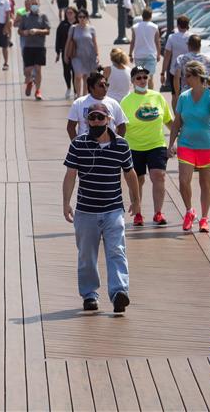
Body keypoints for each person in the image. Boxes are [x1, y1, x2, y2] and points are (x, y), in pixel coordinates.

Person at [62, 102, 140, 314]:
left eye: (100, 117)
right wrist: (66, 202)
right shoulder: (78, 144)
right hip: (86, 210)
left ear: (109, 120)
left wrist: (136, 200)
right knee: (87, 256)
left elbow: (130, 173)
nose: (96, 122)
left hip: (113, 209)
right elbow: (70, 174)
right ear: (87, 121)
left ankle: (119, 292)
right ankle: (89, 295)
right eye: (92, 118)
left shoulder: (121, 145)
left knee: (117, 251)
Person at [168, 60, 210, 233]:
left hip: (207, 145)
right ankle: (189, 211)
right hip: (186, 144)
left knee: (205, 184)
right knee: (183, 180)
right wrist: (171, 144)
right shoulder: (183, 97)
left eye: (188, 76)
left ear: (198, 76)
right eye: (184, 76)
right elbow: (177, 123)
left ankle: (204, 218)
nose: (185, 79)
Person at [120, 66, 174, 227]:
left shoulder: (158, 97)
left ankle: (158, 213)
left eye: (145, 77)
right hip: (134, 146)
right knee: (138, 180)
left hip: (156, 144)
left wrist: (177, 140)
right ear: (132, 81)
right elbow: (120, 127)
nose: (142, 80)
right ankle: (137, 213)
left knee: (159, 176)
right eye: (138, 78)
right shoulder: (126, 101)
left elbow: (169, 121)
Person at [67, 71, 128, 140]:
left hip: (108, 145)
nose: (105, 87)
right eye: (101, 85)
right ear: (91, 88)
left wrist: (116, 143)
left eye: (106, 84)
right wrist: (77, 144)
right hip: (86, 144)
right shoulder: (78, 103)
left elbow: (122, 126)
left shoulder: (113, 103)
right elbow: (70, 127)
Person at [172, 35, 210, 105]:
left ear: (188, 45)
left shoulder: (181, 58)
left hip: (187, 94)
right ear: (200, 45)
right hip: (204, 95)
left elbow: (176, 78)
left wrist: (178, 94)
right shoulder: (209, 58)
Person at [19, 0, 51, 101]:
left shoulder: (43, 16)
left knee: (38, 69)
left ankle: (38, 90)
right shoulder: (25, 17)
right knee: (27, 70)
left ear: (39, 4)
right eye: (32, 4)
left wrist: (37, 31)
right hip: (28, 47)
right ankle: (29, 82)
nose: (34, 6)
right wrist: (25, 32)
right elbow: (20, 31)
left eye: (36, 4)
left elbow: (48, 31)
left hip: (39, 47)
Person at [65, 8, 99, 98]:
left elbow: (95, 43)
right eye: (80, 17)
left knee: (86, 77)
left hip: (89, 56)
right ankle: (78, 95)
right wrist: (65, 55)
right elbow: (68, 42)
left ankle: (84, 96)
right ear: (77, 18)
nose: (82, 19)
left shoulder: (92, 28)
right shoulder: (73, 28)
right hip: (76, 56)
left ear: (87, 17)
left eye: (84, 17)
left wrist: (97, 55)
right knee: (78, 75)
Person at [162, 15, 192, 105]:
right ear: (188, 25)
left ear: (178, 25)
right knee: (189, 95)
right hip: (189, 70)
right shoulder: (192, 37)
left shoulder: (172, 37)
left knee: (175, 95)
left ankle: (176, 113)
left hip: (174, 71)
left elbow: (167, 56)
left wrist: (163, 72)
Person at [129, 8, 161, 89]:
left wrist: (130, 54)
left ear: (142, 16)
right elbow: (157, 42)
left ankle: (138, 93)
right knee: (149, 77)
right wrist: (158, 54)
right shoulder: (154, 27)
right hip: (150, 56)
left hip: (139, 56)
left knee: (138, 76)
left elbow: (133, 41)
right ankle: (150, 94)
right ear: (151, 16)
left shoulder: (135, 27)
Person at [56, 7, 76, 99]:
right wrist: (58, 52)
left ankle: (76, 90)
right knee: (66, 71)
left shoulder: (78, 24)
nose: (69, 14)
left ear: (75, 13)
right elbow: (58, 38)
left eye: (71, 13)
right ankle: (68, 87)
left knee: (76, 71)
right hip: (66, 51)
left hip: (77, 52)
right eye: (67, 13)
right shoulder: (62, 24)